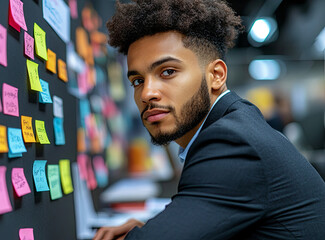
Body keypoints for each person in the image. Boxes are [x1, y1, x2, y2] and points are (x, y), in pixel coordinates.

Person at [93, 0, 325, 239]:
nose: (147, 93)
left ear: (216, 76)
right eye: (138, 81)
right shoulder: (236, 120)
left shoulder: (231, 142)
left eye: (168, 72)